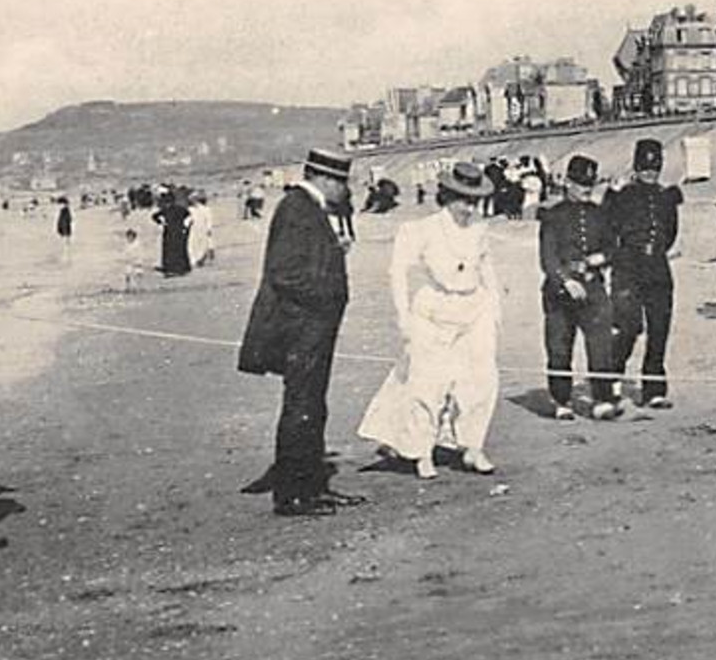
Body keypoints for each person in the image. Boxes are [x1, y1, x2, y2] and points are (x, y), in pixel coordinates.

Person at [358, 162, 500, 479]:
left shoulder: (479, 229)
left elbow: (487, 269)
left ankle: (472, 446)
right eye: (463, 199)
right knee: (428, 382)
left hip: (474, 310)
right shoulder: (420, 230)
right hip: (432, 311)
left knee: (481, 379)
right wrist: (403, 318)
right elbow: (398, 272)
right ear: (447, 196)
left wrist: (495, 308)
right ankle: (421, 451)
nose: (469, 206)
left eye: (474, 200)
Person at [237, 148, 357, 517]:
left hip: (312, 325)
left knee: (311, 403)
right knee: (302, 404)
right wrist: (327, 296)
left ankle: (312, 483)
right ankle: (293, 493)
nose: (345, 190)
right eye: (342, 182)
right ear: (326, 179)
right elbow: (285, 273)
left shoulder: (308, 207)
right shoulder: (297, 208)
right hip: (300, 324)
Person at [605, 139, 682, 409]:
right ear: (636, 167)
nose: (650, 173)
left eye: (654, 168)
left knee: (659, 328)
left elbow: (671, 232)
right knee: (628, 327)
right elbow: (607, 226)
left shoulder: (665, 196)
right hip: (628, 267)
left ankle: (653, 389)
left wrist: (656, 250)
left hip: (658, 267)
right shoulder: (622, 195)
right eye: (645, 168)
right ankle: (612, 377)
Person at [540, 155, 619, 421]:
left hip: (593, 287)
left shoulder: (600, 214)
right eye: (581, 183)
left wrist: (603, 257)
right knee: (559, 347)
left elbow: (612, 246)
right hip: (560, 292)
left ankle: (602, 398)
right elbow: (548, 258)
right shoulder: (552, 216)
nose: (587, 188)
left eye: (590, 183)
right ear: (568, 183)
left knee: (601, 345)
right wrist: (565, 280)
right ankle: (561, 399)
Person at [152, 190, 192, 275]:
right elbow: (189, 217)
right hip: (179, 232)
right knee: (180, 250)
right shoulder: (180, 209)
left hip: (169, 232)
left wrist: (162, 223)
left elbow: (154, 216)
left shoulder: (165, 210)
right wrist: (186, 228)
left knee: (169, 251)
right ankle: (182, 268)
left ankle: (169, 267)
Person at [187, 191, 215, 267]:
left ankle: (199, 259)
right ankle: (194, 259)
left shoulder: (205, 209)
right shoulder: (190, 209)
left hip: (201, 228)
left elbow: (209, 219)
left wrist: (209, 228)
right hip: (194, 228)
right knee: (193, 244)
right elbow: (188, 220)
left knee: (201, 244)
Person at [55, 196, 73, 263]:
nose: (58, 206)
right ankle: (66, 258)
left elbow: (65, 222)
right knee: (65, 245)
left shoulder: (65, 212)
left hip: (65, 231)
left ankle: (65, 258)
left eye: (59, 204)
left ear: (63, 204)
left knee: (65, 245)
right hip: (64, 231)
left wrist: (64, 232)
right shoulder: (64, 211)